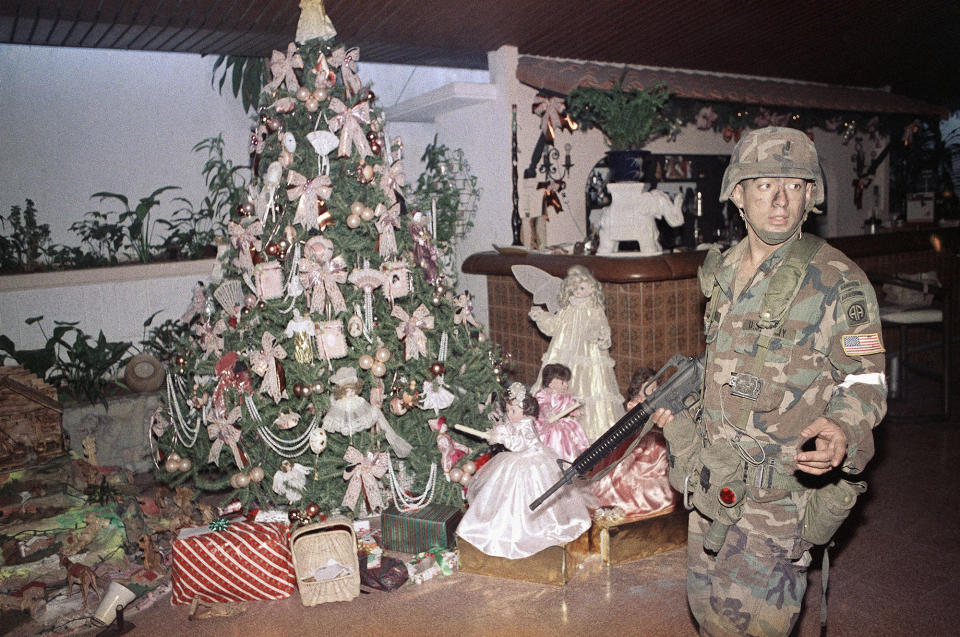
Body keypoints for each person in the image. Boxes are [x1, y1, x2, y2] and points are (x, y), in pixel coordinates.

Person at [652, 127, 886, 635]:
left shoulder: (839, 281)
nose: (780, 201)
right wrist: (682, 401)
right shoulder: (722, 269)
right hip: (714, 485)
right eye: (764, 185)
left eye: (795, 185)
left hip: (776, 501)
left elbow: (866, 380)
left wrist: (841, 429)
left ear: (811, 196)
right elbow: (725, 365)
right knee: (708, 613)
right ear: (738, 194)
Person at [456, 382, 592, 559]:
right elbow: (508, 431)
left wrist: (503, 439)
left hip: (532, 461)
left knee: (530, 494)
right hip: (515, 461)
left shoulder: (528, 424)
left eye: (513, 411)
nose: (510, 414)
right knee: (503, 495)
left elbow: (521, 444)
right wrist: (500, 433)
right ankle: (497, 526)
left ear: (525, 411)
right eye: (508, 410)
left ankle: (533, 528)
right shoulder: (515, 421)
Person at [529, 265, 625, 441]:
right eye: (574, 288)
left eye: (582, 288)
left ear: (591, 289)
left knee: (591, 387)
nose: (578, 292)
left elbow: (599, 326)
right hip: (564, 352)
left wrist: (599, 333)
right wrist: (542, 316)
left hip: (587, 354)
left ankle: (589, 430)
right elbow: (554, 326)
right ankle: (556, 425)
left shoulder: (594, 309)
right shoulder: (568, 308)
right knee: (560, 379)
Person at [591, 366, 676, 518]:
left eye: (655, 388)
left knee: (663, 455)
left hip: (654, 438)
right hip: (637, 441)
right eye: (649, 387)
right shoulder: (635, 403)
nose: (653, 391)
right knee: (631, 466)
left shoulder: (657, 403)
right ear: (639, 387)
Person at [533, 363, 590, 463]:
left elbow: (570, 405)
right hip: (545, 423)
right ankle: (552, 459)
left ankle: (569, 459)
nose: (566, 385)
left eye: (566, 382)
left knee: (571, 428)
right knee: (556, 434)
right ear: (550, 383)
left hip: (559, 421)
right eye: (562, 382)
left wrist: (575, 411)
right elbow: (542, 404)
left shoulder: (565, 396)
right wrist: (547, 411)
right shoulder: (544, 394)